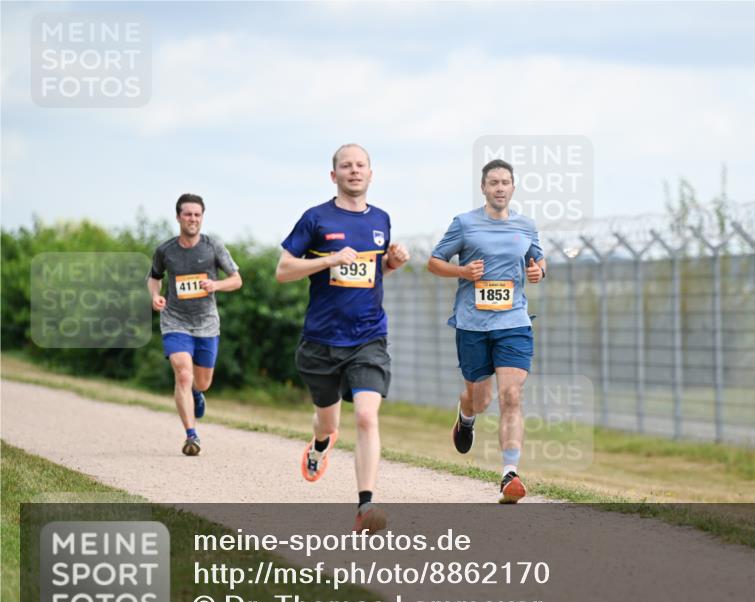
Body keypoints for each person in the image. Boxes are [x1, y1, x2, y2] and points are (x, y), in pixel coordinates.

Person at [276, 143, 409, 533]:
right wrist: (329, 260)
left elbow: (374, 271)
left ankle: (366, 505)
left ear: (371, 173)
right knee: (329, 424)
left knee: (366, 417)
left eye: (361, 165)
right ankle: (320, 445)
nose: (354, 171)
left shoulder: (382, 219)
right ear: (333, 175)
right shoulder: (315, 218)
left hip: (368, 336)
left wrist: (392, 263)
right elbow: (284, 270)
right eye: (346, 166)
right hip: (321, 339)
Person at [427, 158, 546, 504]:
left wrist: (539, 271)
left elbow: (537, 261)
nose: (499, 188)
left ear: (512, 187)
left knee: (511, 395)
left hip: (514, 322)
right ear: (483, 187)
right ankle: (466, 417)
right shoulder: (464, 224)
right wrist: (463, 272)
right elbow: (434, 262)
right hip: (473, 324)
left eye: (504, 182)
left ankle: (509, 473)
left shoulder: (525, 226)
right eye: (492, 182)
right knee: (481, 399)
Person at [148, 193, 243, 456]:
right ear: (178, 217)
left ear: (202, 217)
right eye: (188, 214)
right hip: (175, 320)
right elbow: (154, 278)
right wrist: (155, 296)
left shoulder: (213, 247)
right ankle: (192, 435)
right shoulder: (165, 250)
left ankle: (197, 393)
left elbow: (237, 280)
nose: (192, 219)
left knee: (201, 382)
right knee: (183, 374)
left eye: (197, 215)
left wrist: (216, 285)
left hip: (206, 324)